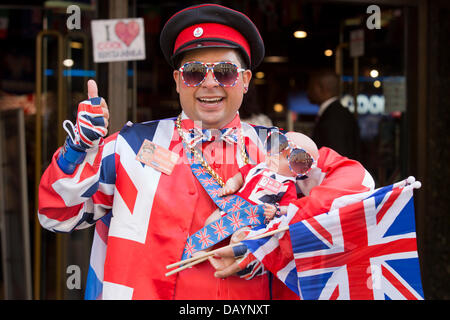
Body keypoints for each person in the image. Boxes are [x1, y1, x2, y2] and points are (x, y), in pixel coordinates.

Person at [38, 3, 274, 300]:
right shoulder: (129, 146)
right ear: (177, 81)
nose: (210, 82)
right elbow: (56, 216)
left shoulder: (276, 152)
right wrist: (77, 149)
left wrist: (266, 249)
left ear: (245, 80)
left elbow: (334, 214)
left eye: (225, 73)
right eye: (194, 72)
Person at [307, 69, 360, 160]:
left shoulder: (333, 117)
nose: (308, 91)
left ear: (321, 88)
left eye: (311, 87)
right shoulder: (340, 113)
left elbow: (336, 157)